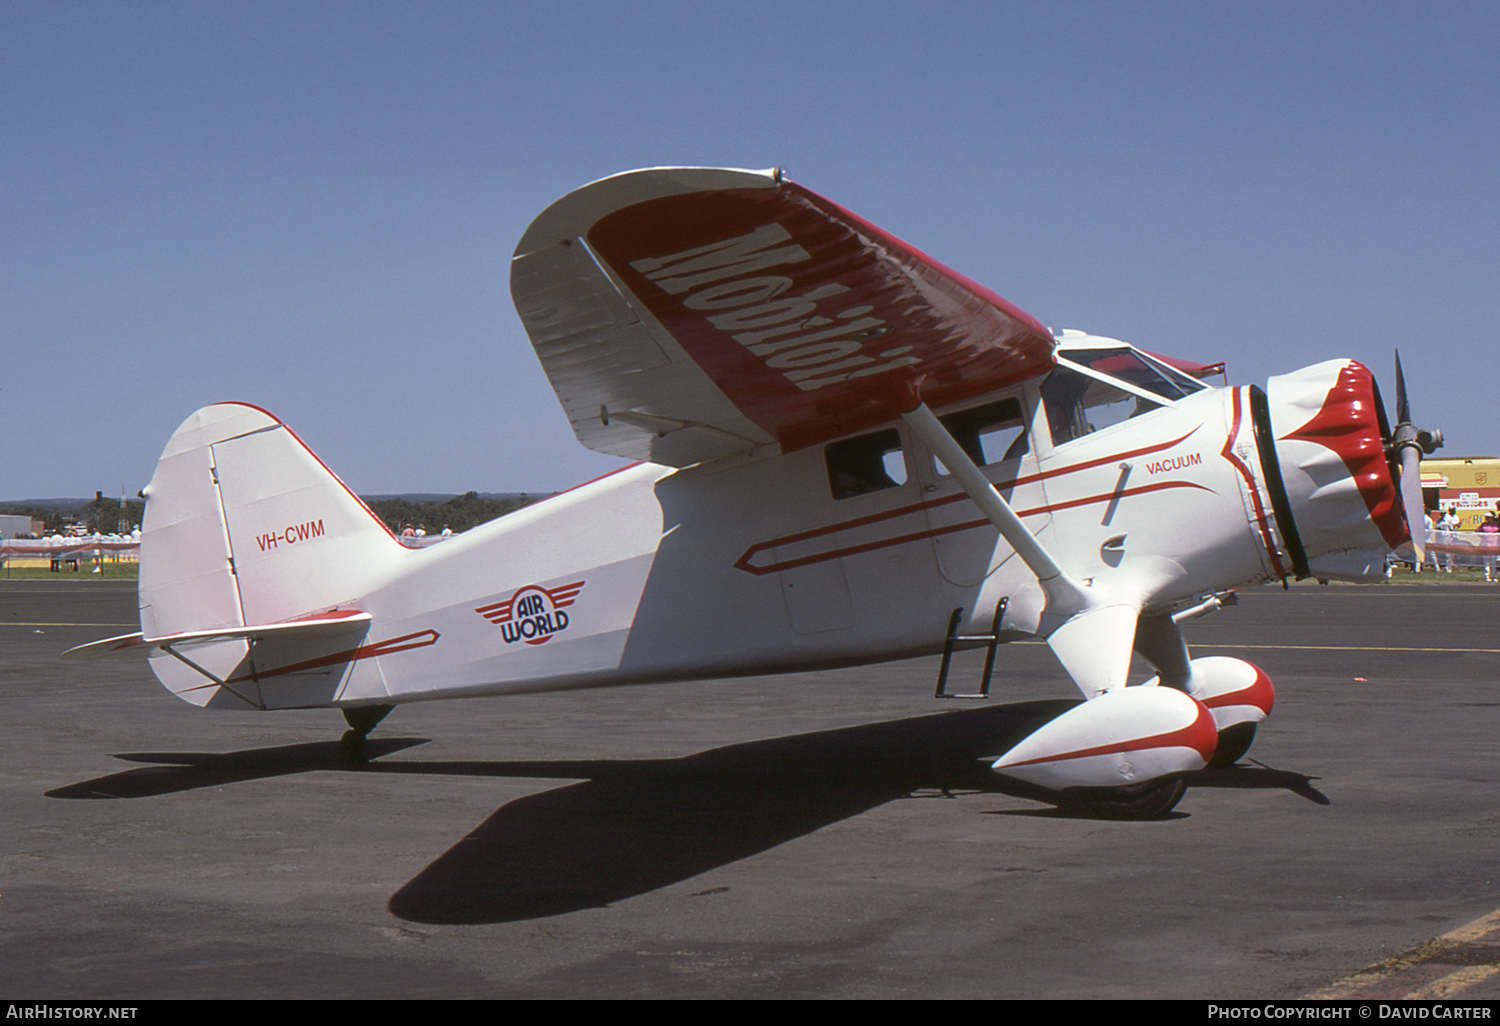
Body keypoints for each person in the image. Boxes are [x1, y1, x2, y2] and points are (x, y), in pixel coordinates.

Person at [1479, 511, 1499, 582]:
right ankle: (1487, 576)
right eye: (1486, 517)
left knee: (1493, 562)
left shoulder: (1496, 524)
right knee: (1486, 562)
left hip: (1494, 545)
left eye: (1489, 517)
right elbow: (1478, 531)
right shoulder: (1483, 525)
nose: (1487, 519)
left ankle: (1493, 576)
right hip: (1486, 545)